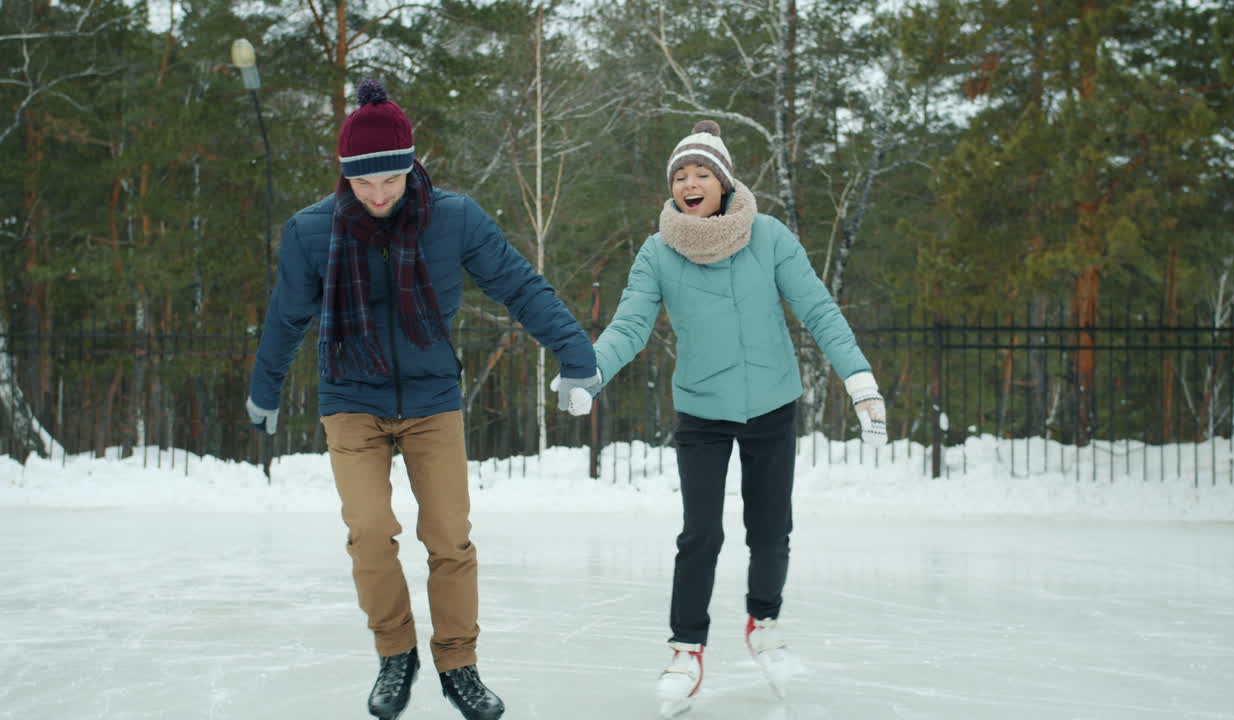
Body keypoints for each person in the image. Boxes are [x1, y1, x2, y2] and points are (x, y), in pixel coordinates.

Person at [244, 79, 599, 720]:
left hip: (433, 401)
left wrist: (576, 355)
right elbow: (286, 316)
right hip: (351, 397)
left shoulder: (454, 217)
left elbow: (519, 285)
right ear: (344, 177)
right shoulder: (310, 232)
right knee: (371, 532)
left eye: (391, 180)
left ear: (411, 166)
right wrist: (264, 385)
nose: (379, 196)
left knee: (448, 538)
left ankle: (458, 663)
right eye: (364, 184)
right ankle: (394, 651)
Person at [566, 120, 888, 717]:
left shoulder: (768, 237)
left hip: (771, 404)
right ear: (673, 188)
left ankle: (763, 622)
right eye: (681, 176)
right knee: (700, 534)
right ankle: (686, 647)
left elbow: (817, 307)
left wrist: (860, 379)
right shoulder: (657, 251)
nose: (691, 183)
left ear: (724, 182)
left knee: (770, 529)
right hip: (703, 411)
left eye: (702, 173)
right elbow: (631, 325)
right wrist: (591, 372)